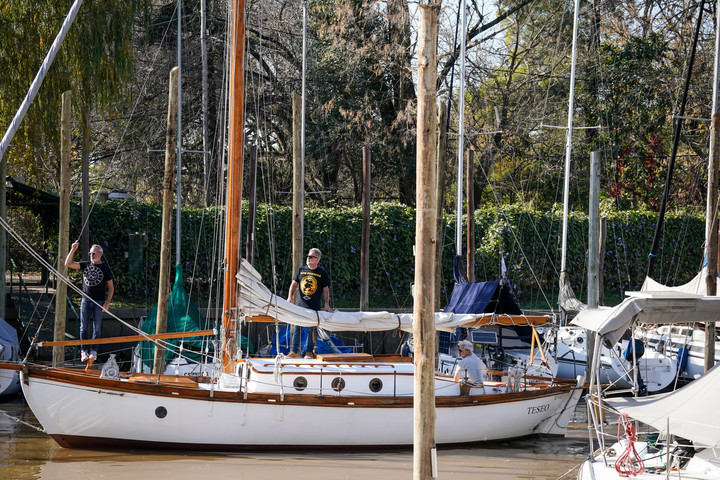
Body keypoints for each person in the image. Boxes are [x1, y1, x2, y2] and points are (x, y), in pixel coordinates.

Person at [65, 241, 114, 371]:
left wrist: (107, 303)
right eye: (90, 253)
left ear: (100, 254)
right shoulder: (85, 265)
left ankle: (93, 351)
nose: (91, 255)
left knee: (96, 328)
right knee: (83, 327)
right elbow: (68, 264)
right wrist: (73, 249)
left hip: (99, 301)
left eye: (94, 253)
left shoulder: (105, 269)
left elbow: (111, 288)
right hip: (86, 300)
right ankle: (84, 351)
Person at [286, 248, 332, 358]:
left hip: (314, 306)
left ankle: (309, 352)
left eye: (311, 257)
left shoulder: (322, 273)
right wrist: (290, 297)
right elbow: (294, 284)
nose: (308, 258)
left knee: (311, 330)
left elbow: (326, 289)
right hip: (300, 305)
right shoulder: (301, 270)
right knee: (297, 328)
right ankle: (294, 351)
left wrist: (326, 304)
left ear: (317, 259)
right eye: (308, 256)